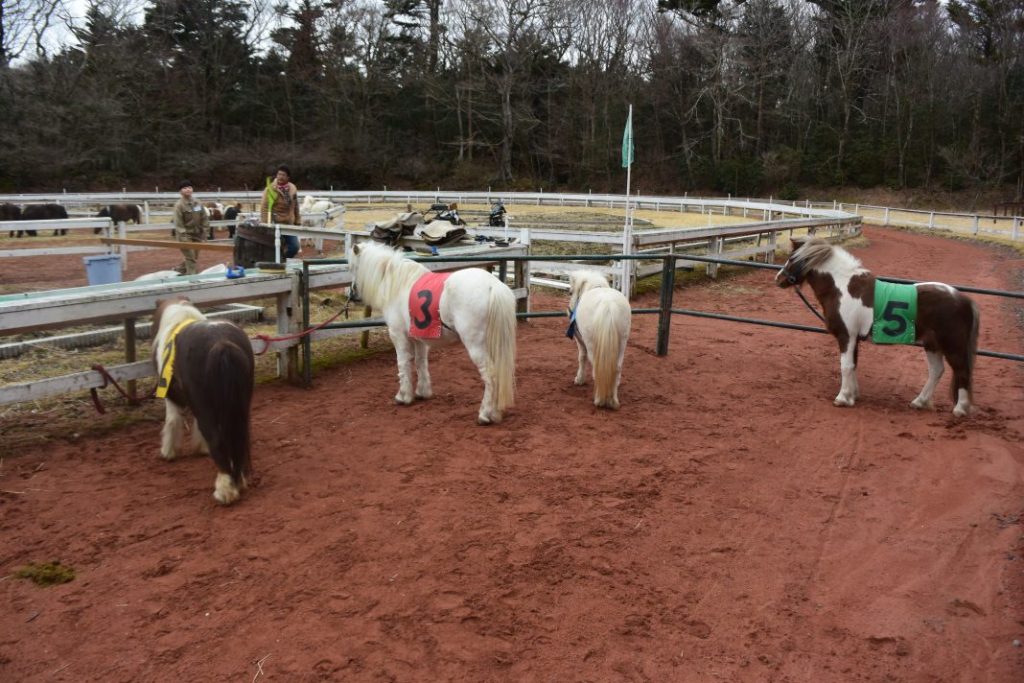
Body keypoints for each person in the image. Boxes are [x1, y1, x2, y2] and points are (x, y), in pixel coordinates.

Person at [259, 164, 301, 259]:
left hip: (289, 223)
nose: (280, 177)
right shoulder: (270, 189)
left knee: (294, 247)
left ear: (288, 177)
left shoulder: (292, 188)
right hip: (275, 223)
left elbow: (296, 205)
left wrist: (297, 220)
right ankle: (276, 263)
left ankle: (283, 260)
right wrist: (266, 225)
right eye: (279, 174)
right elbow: (264, 208)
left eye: (283, 175)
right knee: (273, 248)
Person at [172, 180, 209, 275]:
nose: (187, 189)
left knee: (194, 257)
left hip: (197, 235)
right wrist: (183, 238)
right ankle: (192, 277)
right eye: (184, 188)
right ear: (180, 191)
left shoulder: (198, 203)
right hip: (185, 235)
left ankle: (179, 269)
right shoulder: (179, 205)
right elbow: (178, 223)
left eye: (189, 187)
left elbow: (204, 218)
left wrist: (205, 233)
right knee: (191, 257)